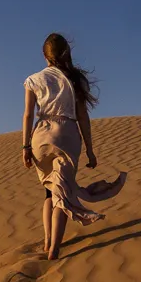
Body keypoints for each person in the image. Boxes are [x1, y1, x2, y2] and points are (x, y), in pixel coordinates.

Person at [21, 33, 126, 259]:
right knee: (63, 193)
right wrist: (90, 150)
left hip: (40, 138)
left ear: (44, 55)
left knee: (49, 191)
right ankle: (54, 249)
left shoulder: (33, 80)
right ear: (67, 53)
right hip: (66, 135)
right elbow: (83, 118)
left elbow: (28, 115)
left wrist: (26, 147)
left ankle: (47, 240)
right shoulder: (76, 80)